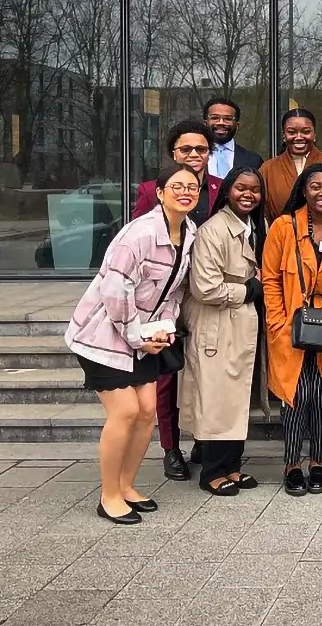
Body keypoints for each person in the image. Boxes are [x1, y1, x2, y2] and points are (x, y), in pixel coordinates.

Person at [65, 164, 197, 524]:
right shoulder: (137, 234)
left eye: (192, 187)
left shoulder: (189, 233)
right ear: (160, 192)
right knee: (123, 411)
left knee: (146, 412)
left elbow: (175, 291)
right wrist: (139, 336)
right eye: (177, 186)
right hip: (102, 336)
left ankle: (126, 486)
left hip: (146, 336)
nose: (185, 192)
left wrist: (162, 331)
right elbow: (114, 291)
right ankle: (108, 496)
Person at [132, 120, 222, 481]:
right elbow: (140, 238)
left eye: (201, 149)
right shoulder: (151, 189)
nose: (194, 155)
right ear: (173, 153)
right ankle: (171, 448)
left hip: (205, 294)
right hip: (165, 295)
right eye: (186, 149)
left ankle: (202, 437)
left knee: (204, 370)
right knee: (166, 375)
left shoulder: (219, 188)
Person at [262, 163, 322, 497]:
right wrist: (276, 322)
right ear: (303, 190)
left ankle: (318, 461)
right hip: (289, 323)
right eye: (315, 186)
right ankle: (292, 464)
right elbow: (271, 278)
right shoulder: (283, 227)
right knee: (294, 395)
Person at [179, 166, 266, 496]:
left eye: (255, 189)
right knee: (216, 398)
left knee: (235, 397)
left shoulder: (254, 226)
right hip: (217, 324)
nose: (248, 194)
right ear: (227, 190)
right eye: (241, 188)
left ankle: (232, 465)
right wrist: (247, 291)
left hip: (240, 324)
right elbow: (204, 288)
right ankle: (212, 471)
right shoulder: (213, 230)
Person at [259, 108, 322, 223]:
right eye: (292, 132)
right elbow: (262, 212)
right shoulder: (268, 168)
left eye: (306, 131)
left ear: (314, 134)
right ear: (284, 135)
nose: (299, 137)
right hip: (283, 236)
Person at [204, 97, 264, 179]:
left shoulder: (253, 160)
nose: (221, 122)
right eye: (214, 118)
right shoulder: (192, 156)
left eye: (228, 119)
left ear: (237, 125)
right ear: (205, 123)